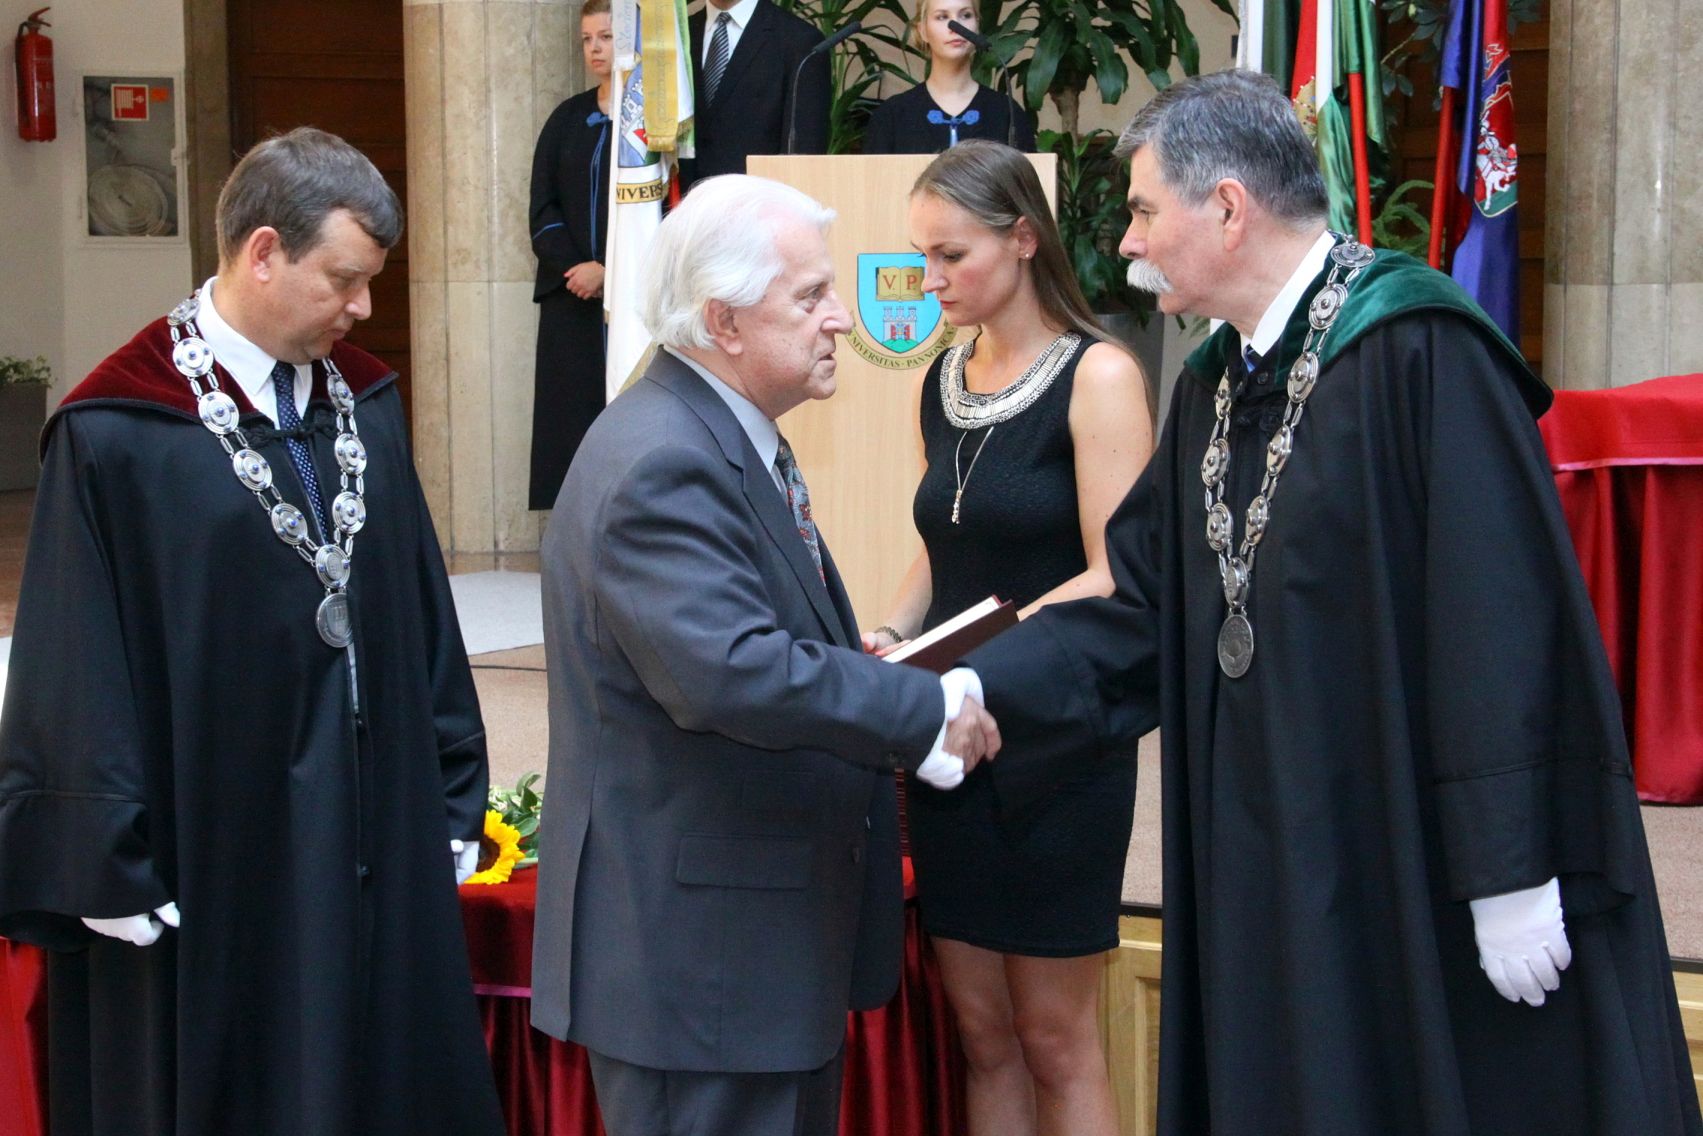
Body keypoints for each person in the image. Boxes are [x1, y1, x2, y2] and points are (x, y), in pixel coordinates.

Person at [963, 69, 1703, 1135]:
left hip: (1410, 856)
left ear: (1226, 208)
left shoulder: (1418, 348)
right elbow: (1138, 603)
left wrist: (1509, 864)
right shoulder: (1213, 384)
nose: (1125, 243)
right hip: (1269, 853)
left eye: (1142, 211)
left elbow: (1499, 617)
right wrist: (966, 687)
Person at [0, 128, 505, 1136]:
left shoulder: (364, 400)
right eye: (345, 280)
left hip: (370, 823)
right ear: (264, 251)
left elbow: (417, 606)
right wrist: (97, 851)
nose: (363, 307)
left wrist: (451, 783)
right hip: (215, 848)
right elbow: (73, 661)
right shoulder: (118, 428)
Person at [529, 173, 1001, 1136]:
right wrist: (922, 710)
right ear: (723, 321)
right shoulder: (665, 457)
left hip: (743, 957)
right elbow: (730, 672)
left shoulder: (717, 432)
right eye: (810, 295)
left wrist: (849, 660)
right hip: (700, 972)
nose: (839, 318)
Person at [862, 139, 1150, 1136]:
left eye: (950, 255)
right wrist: (892, 633)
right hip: (952, 736)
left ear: (1022, 238)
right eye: (922, 256)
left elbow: (1113, 573)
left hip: (1057, 736)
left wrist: (976, 663)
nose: (928, 279)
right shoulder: (941, 377)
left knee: (1055, 1039)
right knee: (981, 1035)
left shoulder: (1099, 374)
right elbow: (940, 541)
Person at [527, 0, 615, 509]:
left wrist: (613, 272)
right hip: (572, 296)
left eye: (606, 36)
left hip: (632, 300)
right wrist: (577, 269)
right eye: (587, 39)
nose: (595, 49)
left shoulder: (656, 124)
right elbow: (543, 209)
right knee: (570, 424)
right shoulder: (566, 118)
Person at [863, 0, 1035, 155]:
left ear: (977, 26)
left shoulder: (1007, 113)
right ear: (923, 30)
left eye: (966, 15)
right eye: (942, 17)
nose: (955, 26)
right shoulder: (891, 116)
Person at [686, 0, 830, 184]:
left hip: (758, 196)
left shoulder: (800, 41)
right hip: (682, 197)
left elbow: (805, 152)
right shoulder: (677, 36)